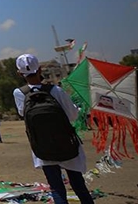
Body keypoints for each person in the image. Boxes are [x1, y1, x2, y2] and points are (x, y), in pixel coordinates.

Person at [13, 54, 95, 204]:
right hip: (67, 144)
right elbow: (72, 115)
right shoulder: (56, 90)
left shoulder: (19, 93)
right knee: (78, 186)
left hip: (42, 147)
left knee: (57, 189)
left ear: (20, 73)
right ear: (40, 69)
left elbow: (22, 113)